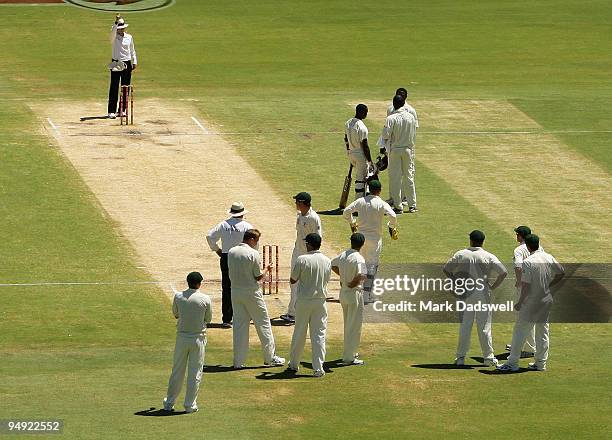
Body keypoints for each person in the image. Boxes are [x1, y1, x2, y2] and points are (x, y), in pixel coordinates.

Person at [498, 234, 565, 372]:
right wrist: (549, 286)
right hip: (546, 300)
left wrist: (520, 302)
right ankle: (540, 364)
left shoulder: (528, 261)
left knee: (520, 331)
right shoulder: (548, 256)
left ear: (527, 246)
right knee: (543, 332)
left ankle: (512, 363)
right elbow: (561, 272)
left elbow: (526, 286)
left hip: (532, 302)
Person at [443, 230, 508, 367]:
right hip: (482, 293)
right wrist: (492, 286)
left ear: (471, 240)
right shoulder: (488, 256)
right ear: (483, 241)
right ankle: (488, 358)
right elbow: (503, 272)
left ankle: (460, 358)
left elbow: (447, 269)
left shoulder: (461, 254)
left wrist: (456, 281)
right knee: (484, 327)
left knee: (465, 326)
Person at [228, 229, 285, 369]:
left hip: (235, 292)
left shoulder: (231, 251)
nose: (257, 244)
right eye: (257, 241)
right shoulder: (253, 254)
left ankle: (238, 362)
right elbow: (258, 277)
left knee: (240, 326)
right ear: (252, 239)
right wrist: (267, 269)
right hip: (251, 292)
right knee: (263, 323)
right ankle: (270, 358)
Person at [163, 272, 212, 414]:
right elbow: (208, 319)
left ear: (188, 282)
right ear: (199, 284)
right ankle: (189, 405)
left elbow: (176, 314)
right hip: (198, 339)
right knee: (195, 373)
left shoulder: (178, 296)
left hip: (182, 339)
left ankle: (169, 403)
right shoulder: (205, 299)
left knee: (177, 371)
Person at [342, 180, 398, 304]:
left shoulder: (361, 201)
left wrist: (352, 222)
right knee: (371, 266)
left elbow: (346, 212)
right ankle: (367, 295)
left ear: (368, 189)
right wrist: (391, 226)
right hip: (375, 239)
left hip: (361, 239)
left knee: (361, 264)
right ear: (379, 191)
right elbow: (393, 216)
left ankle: (357, 290)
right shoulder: (381, 203)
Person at [288, 233, 332, 377]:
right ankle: (318, 368)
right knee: (319, 335)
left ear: (310, 245)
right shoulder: (327, 260)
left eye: (307, 243)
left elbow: (293, 280)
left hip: (304, 301)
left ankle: (294, 364)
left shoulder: (302, 259)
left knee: (299, 332)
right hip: (320, 302)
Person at [206, 202, 253, 328]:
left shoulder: (223, 224)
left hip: (226, 256)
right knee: (244, 285)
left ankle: (226, 319)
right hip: (242, 257)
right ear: (242, 213)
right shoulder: (247, 226)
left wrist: (218, 250)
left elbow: (210, 236)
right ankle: (243, 316)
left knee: (227, 287)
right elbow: (254, 243)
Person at [280, 192, 322, 323]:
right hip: (297, 252)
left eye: (297, 202)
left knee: (304, 283)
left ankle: (297, 313)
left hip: (307, 255)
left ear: (302, 203)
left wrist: (312, 255)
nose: (295, 204)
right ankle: (293, 312)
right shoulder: (299, 215)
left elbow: (318, 238)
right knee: (294, 283)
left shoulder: (313, 218)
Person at [331, 233, 368, 365]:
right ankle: (349, 357)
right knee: (354, 325)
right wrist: (352, 283)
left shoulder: (343, 255)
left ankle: (351, 351)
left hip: (344, 294)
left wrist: (343, 278)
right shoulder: (359, 258)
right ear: (362, 244)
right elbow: (363, 274)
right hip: (354, 293)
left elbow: (332, 265)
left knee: (348, 324)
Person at [381, 95, 417, 214]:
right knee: (409, 176)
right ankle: (412, 205)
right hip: (408, 149)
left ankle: (398, 206)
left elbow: (385, 135)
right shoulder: (411, 117)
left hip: (395, 150)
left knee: (395, 178)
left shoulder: (391, 118)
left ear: (394, 104)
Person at [506, 225, 538, 356]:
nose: (516, 236)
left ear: (521, 236)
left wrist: (519, 283)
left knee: (524, 317)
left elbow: (518, 267)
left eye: (517, 234)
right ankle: (521, 344)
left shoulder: (519, 250)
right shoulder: (538, 247)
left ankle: (529, 348)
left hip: (525, 287)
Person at [107, 14, 138, 119]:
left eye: (122, 28)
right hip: (116, 63)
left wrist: (135, 61)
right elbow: (111, 35)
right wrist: (115, 23)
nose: (122, 29)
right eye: (119, 28)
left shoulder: (129, 37)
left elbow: (132, 50)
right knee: (114, 87)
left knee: (125, 87)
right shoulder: (114, 37)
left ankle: (122, 110)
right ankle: (111, 111)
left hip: (127, 63)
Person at [344, 104, 374, 199]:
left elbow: (346, 139)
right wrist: (370, 161)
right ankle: (359, 203)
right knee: (361, 180)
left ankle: (362, 200)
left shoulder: (348, 123)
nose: (366, 114)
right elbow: (365, 146)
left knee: (360, 178)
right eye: (366, 112)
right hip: (360, 155)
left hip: (351, 153)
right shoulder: (362, 127)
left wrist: (349, 152)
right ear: (361, 112)